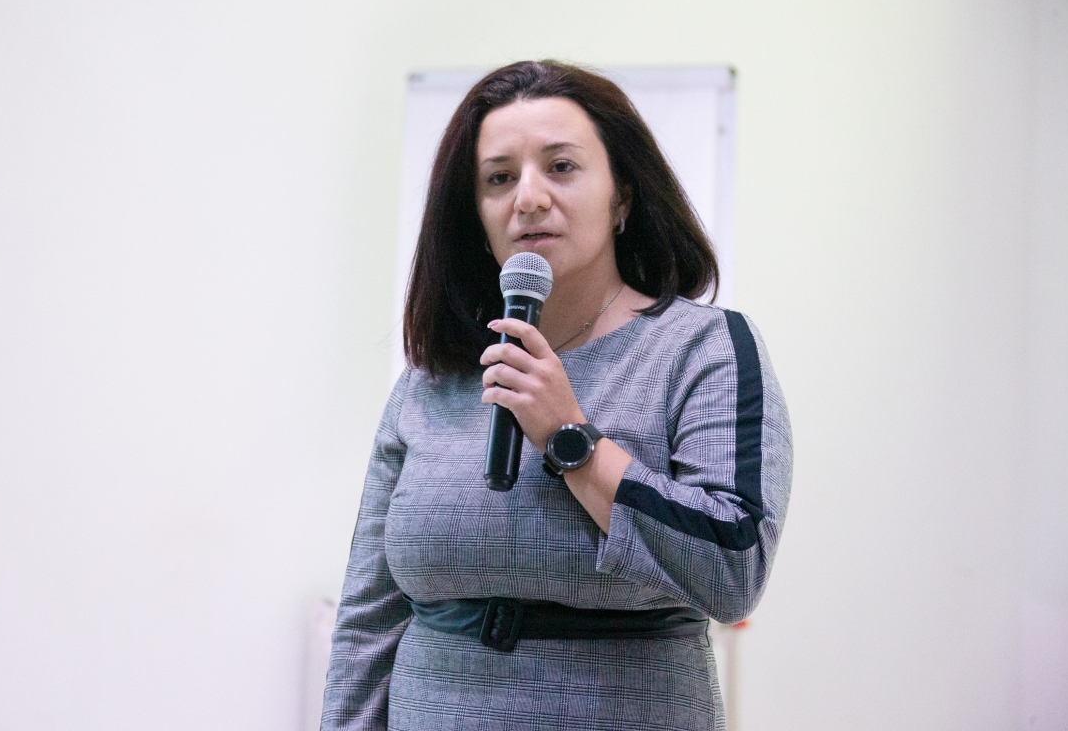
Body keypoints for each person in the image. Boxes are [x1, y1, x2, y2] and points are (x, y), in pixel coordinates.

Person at [321, 60, 792, 731]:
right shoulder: (432, 378)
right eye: (499, 178)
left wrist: (571, 438)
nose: (529, 198)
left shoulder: (703, 348)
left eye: (561, 167)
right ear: (476, 215)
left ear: (622, 197)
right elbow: (369, 619)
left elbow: (732, 568)